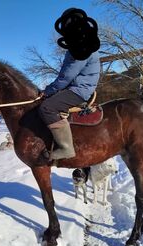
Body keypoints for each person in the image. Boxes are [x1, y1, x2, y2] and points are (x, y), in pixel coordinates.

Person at [39, 8, 101, 160]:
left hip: (79, 90)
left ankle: (66, 148)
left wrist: (48, 91)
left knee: (47, 107)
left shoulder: (82, 46)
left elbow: (66, 76)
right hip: (78, 86)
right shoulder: (81, 43)